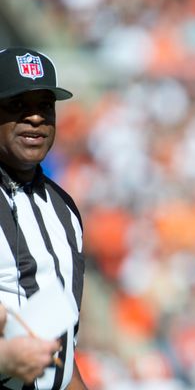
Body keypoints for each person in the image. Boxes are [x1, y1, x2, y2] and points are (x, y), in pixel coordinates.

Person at [0, 47, 88, 389]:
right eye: (18, 106)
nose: (35, 118)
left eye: (44, 106)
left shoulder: (64, 209)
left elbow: (61, 354)